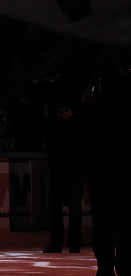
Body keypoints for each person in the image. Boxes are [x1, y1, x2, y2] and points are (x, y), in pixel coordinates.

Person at [79, 61, 131, 276]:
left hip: (101, 177)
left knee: (104, 232)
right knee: (124, 230)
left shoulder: (93, 109)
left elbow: (84, 145)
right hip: (122, 176)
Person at [42, 103, 84, 254]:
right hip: (60, 169)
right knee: (56, 208)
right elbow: (47, 137)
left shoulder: (76, 124)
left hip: (73, 169)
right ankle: (58, 243)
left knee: (73, 208)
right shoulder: (53, 123)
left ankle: (73, 243)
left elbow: (82, 140)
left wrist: (70, 122)